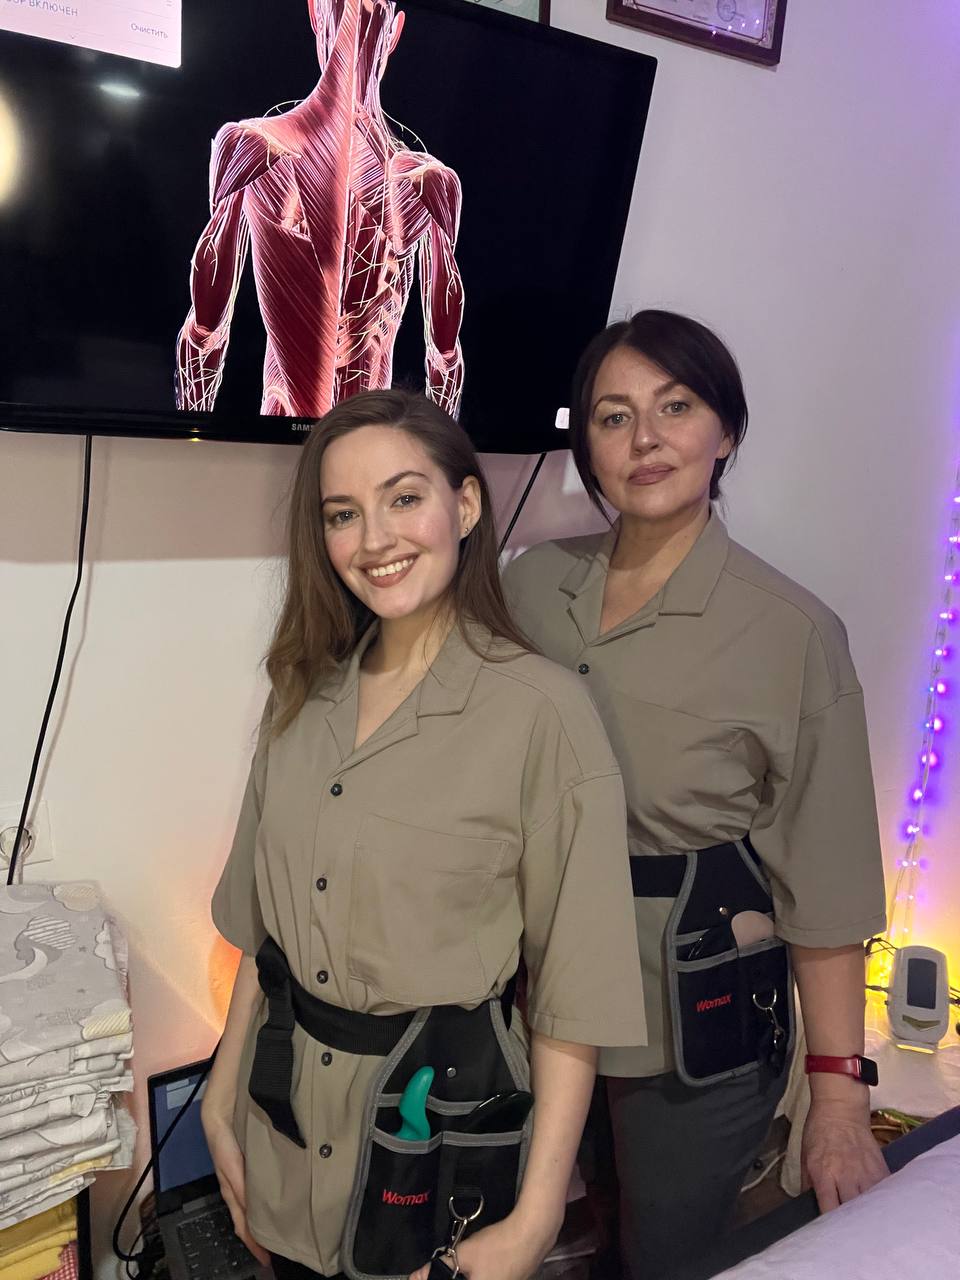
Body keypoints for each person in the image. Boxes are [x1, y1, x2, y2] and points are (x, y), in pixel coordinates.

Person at [202, 389, 646, 1280]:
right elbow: (262, 932)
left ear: (466, 505)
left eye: (403, 498)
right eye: (343, 514)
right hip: (281, 1134)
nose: (375, 540)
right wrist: (219, 1099)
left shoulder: (542, 712)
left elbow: (575, 995)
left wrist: (534, 1221)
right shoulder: (300, 694)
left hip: (436, 1150)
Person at [502, 310, 889, 1280]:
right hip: (535, 996)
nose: (645, 439)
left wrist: (839, 1098)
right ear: (586, 445)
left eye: (675, 407)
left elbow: (827, 882)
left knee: (670, 1251)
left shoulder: (792, 631)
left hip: (690, 1017)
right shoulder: (531, 586)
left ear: (726, 430)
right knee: (544, 1235)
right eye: (614, 416)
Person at [176, 0, 464, 418]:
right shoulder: (254, 148)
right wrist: (190, 437)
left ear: (394, 30)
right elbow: (206, 326)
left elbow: (445, 352)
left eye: (370, 9)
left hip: (369, 438)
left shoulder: (428, 183)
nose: (354, 24)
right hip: (279, 433)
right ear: (316, 12)